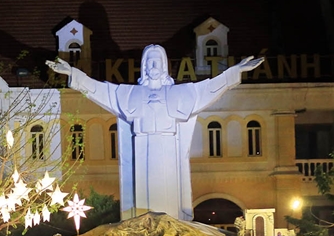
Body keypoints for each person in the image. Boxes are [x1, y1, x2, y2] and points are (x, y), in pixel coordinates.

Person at [47, 47, 262, 221]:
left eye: (157, 61)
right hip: (141, 147)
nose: (153, 66)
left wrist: (234, 72)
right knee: (143, 204)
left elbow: (208, 89)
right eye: (149, 61)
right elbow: (100, 90)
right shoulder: (130, 93)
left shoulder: (179, 93)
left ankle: (171, 227)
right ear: (143, 66)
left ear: (164, 65)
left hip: (169, 149)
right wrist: (73, 74)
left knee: (169, 200)